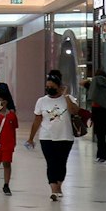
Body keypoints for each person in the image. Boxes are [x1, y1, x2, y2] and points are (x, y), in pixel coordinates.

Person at [25, 70, 76, 201]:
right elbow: (37, 120)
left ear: (59, 87)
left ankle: (59, 185)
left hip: (65, 137)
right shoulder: (41, 101)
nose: (49, 89)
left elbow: (74, 111)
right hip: (46, 137)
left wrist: (65, 96)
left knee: (61, 163)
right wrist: (31, 137)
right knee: (51, 163)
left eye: (52, 87)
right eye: (47, 87)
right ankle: (53, 189)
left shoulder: (68, 99)